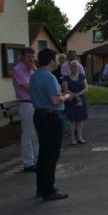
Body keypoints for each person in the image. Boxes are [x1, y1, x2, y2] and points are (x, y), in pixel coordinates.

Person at [29, 48, 72, 201]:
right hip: (51, 117)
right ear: (51, 61)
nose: (57, 61)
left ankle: (42, 187)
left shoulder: (34, 76)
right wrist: (66, 96)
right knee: (51, 154)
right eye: (55, 59)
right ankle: (49, 190)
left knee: (43, 153)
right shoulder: (49, 77)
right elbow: (55, 100)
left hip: (40, 115)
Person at [11, 48, 38, 170]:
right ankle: (28, 163)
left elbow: (40, 83)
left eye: (32, 57)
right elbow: (30, 88)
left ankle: (36, 159)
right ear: (22, 57)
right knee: (28, 134)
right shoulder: (18, 70)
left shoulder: (31, 70)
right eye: (28, 57)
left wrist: (35, 70)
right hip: (26, 104)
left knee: (36, 134)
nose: (31, 59)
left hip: (35, 104)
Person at [62, 61, 89, 144]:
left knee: (80, 120)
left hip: (81, 100)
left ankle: (80, 137)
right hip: (71, 101)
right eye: (73, 66)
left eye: (76, 66)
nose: (74, 68)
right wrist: (74, 95)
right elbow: (65, 89)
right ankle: (73, 138)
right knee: (72, 121)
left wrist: (79, 94)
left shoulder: (82, 76)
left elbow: (86, 88)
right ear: (70, 68)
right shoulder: (66, 78)